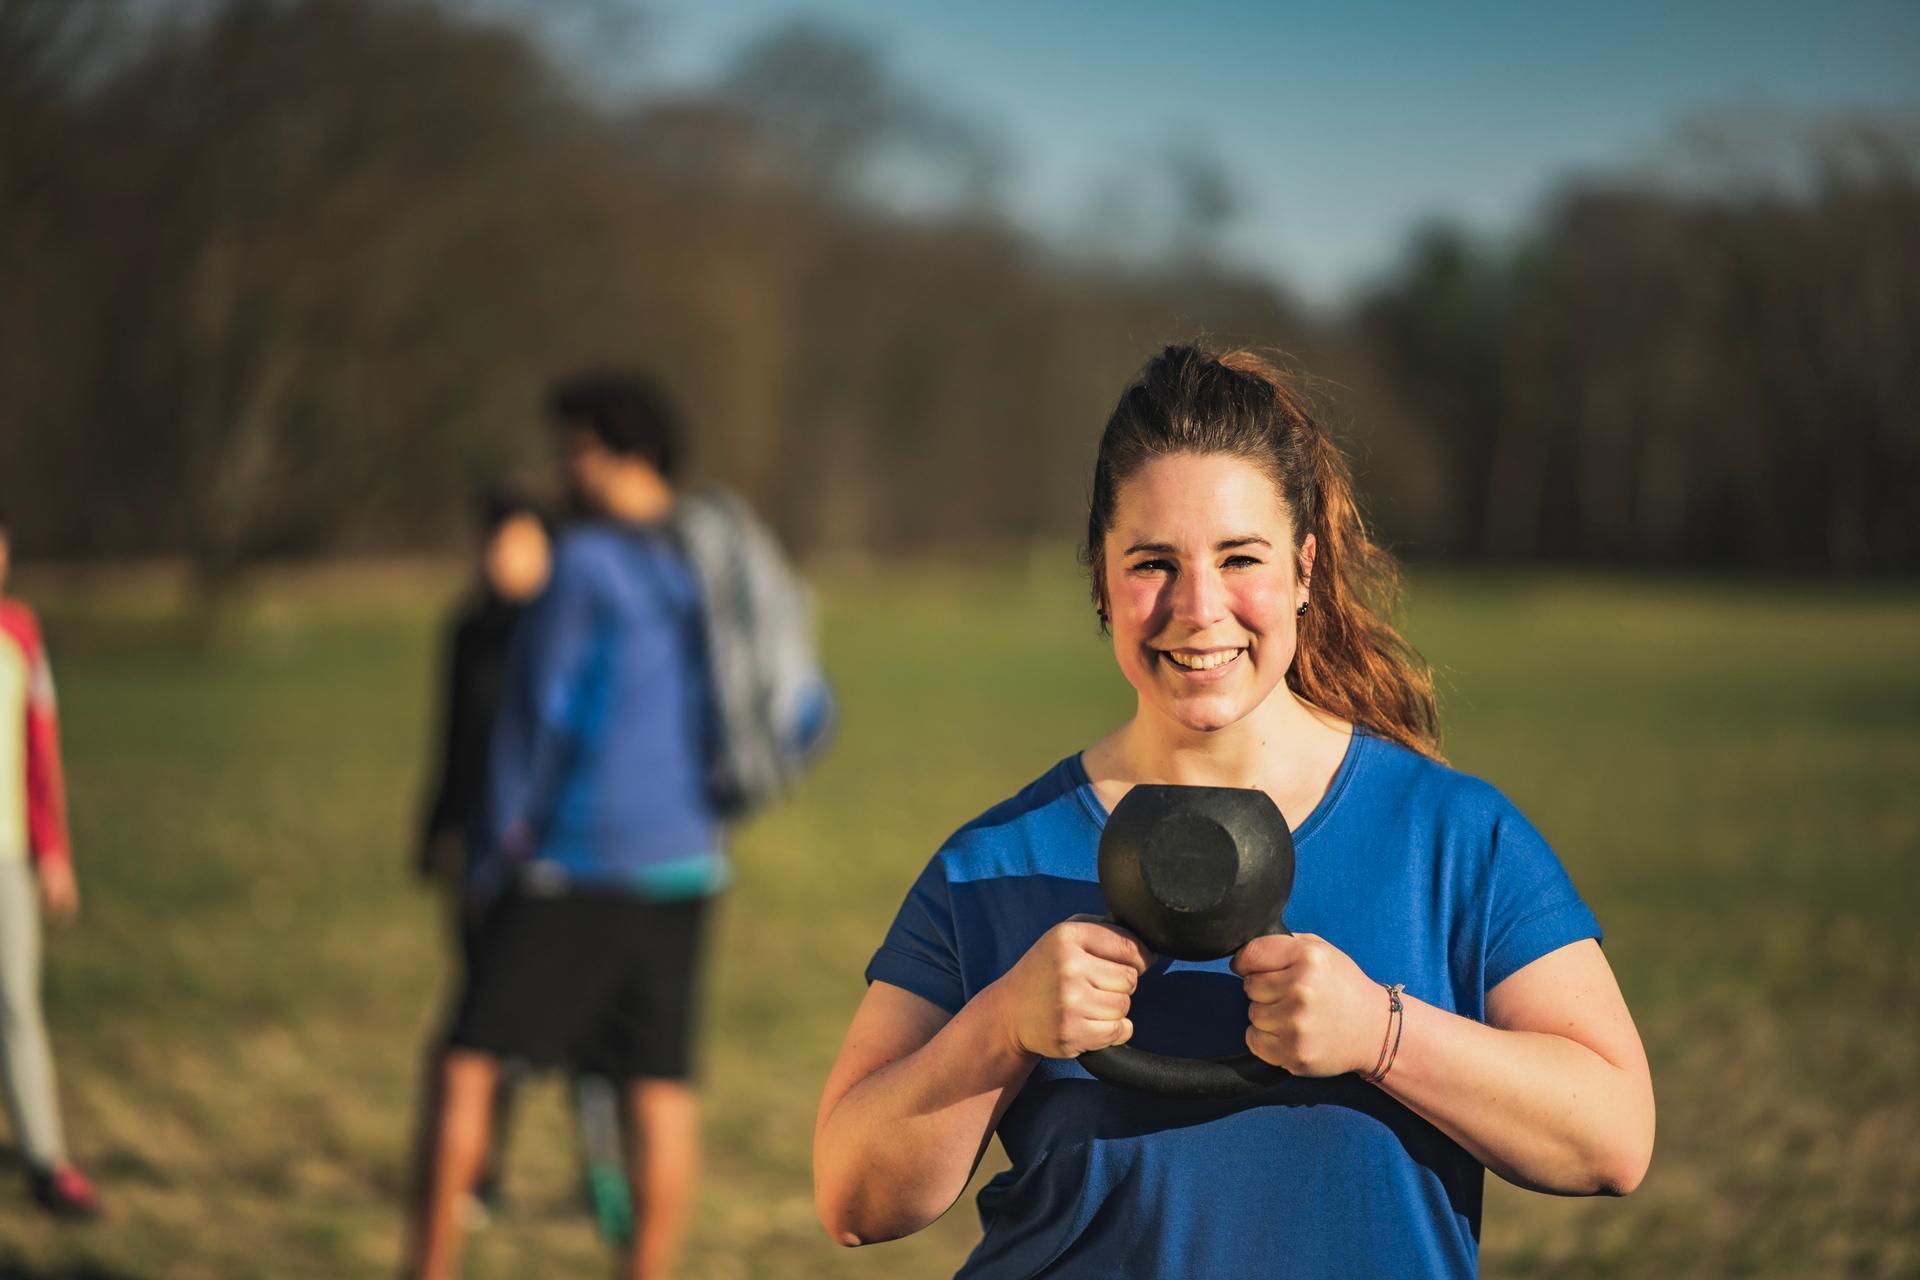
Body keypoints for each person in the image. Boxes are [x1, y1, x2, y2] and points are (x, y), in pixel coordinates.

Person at [814, 345, 1655, 1278]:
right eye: (1152, 563)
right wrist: (1000, 1025)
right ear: (1101, 576)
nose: (1198, 607)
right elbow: (853, 1199)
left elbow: (1612, 1140)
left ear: (1303, 569)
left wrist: (1381, 1034)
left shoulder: (1451, 835)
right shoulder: (994, 863)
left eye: (1240, 557)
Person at [409, 373, 725, 1280]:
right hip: (689, 860)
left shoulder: (584, 564)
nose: (561, 468)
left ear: (625, 453)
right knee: (658, 1086)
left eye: (574, 447)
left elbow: (537, 717)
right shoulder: (709, 557)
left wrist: (491, 856)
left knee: (468, 1065)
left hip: (578, 857)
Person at [0, 514, 103, 1218]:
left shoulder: (22, 635)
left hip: (6, 854)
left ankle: (46, 1159)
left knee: (15, 1003)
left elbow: (41, 748)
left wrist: (54, 848)